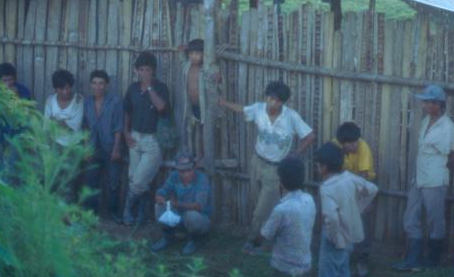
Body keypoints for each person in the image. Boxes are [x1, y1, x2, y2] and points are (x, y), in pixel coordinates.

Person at [218, 80, 315, 254]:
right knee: (257, 203)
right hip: (257, 162)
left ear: (282, 102)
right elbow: (242, 109)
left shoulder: (291, 117)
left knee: (261, 211)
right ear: (266, 97)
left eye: (277, 100)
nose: (272, 103)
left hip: (275, 170)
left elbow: (310, 136)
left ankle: (252, 240)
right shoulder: (258, 109)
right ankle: (270, 238)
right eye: (270, 98)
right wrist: (223, 103)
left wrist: (296, 153)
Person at [393, 83, 454, 271]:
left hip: (435, 178)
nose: (427, 105)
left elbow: (452, 155)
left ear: (439, 104)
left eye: (431, 102)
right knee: (411, 215)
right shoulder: (425, 121)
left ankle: (432, 260)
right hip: (419, 176)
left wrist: (439, 171)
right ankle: (413, 258)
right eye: (426, 102)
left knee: (435, 219)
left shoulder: (448, 126)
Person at [315, 142, 378, 277]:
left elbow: (332, 218)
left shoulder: (326, 188)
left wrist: (336, 239)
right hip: (351, 234)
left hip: (334, 238)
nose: (317, 167)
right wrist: (359, 207)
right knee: (343, 275)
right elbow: (372, 189)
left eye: (318, 164)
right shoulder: (349, 178)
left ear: (324, 168)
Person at [122, 51, 170, 227]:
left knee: (139, 180)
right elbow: (127, 111)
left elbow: (161, 107)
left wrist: (149, 87)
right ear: (136, 71)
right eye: (141, 70)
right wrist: (126, 132)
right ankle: (142, 214)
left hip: (153, 140)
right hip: (135, 137)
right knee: (133, 177)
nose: (144, 73)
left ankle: (127, 211)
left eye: (147, 70)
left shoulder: (161, 88)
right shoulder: (133, 88)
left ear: (153, 71)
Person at [260, 156, 316, 277]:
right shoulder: (309, 200)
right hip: (305, 264)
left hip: (283, 268)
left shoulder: (282, 209)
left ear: (281, 181)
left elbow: (266, 234)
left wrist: (254, 244)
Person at [334, 121, 376, 277]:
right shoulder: (334, 147)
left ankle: (362, 260)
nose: (355, 145)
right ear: (342, 143)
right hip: (340, 188)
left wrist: (365, 201)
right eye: (351, 143)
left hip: (361, 187)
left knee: (361, 222)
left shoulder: (363, 147)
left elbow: (363, 177)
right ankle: (342, 259)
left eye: (356, 141)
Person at [82, 69, 124, 223]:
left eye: (101, 83)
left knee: (114, 181)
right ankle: (90, 213)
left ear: (106, 85)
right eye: (94, 83)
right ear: (90, 85)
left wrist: (116, 149)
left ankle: (113, 211)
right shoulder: (87, 102)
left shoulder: (115, 101)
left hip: (111, 146)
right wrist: (86, 148)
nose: (97, 87)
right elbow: (85, 127)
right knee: (91, 180)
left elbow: (119, 126)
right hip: (93, 146)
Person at [151, 151, 212, 256]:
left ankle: (194, 240)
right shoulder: (174, 176)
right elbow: (164, 189)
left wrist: (177, 204)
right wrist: (159, 196)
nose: (186, 174)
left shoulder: (202, 179)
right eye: (182, 171)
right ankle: (168, 237)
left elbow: (199, 206)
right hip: (180, 216)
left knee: (191, 216)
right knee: (159, 207)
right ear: (177, 170)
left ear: (194, 167)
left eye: (189, 170)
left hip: (201, 219)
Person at [174, 39, 220, 168]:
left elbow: (216, 75)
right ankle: (198, 156)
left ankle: (205, 157)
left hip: (205, 107)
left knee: (206, 132)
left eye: (198, 54)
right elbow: (180, 54)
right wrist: (183, 48)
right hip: (192, 106)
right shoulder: (187, 66)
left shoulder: (207, 68)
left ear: (204, 54)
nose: (194, 56)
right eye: (191, 53)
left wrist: (218, 77)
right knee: (196, 131)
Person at [0, 63, 33, 180]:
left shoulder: (23, 91)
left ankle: (11, 187)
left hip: (17, 133)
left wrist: (15, 97)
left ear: (15, 78)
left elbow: (25, 113)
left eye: (10, 79)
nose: (8, 83)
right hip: (0, 133)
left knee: (12, 163)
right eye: (4, 80)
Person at [44, 69, 84, 145]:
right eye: (61, 88)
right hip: (55, 143)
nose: (65, 91)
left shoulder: (79, 101)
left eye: (68, 88)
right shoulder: (50, 101)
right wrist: (65, 124)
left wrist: (56, 122)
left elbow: (75, 128)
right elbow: (46, 126)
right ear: (56, 89)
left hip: (74, 144)